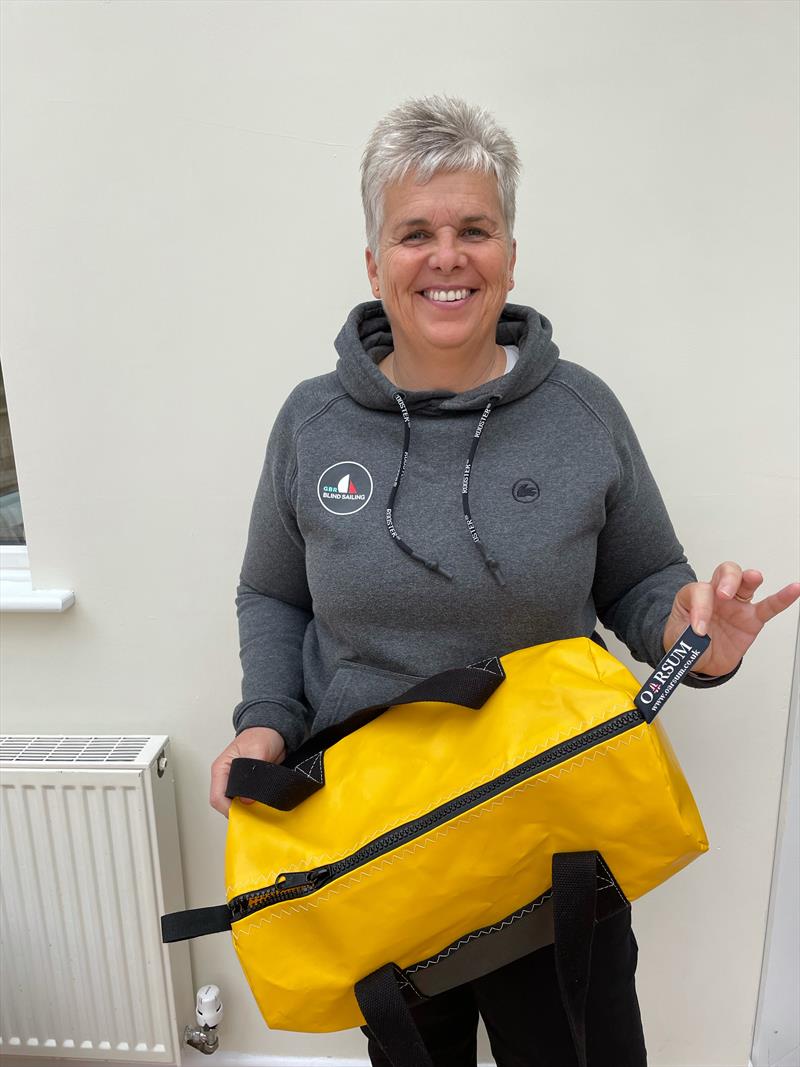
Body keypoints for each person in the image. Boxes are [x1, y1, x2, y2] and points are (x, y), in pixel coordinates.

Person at [210, 95, 800, 1066]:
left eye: (472, 229)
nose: (446, 256)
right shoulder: (312, 424)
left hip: (552, 841)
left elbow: (647, 580)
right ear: (373, 263)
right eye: (415, 233)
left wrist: (695, 638)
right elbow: (272, 593)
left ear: (509, 253)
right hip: (382, 845)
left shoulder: (578, 410)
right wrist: (262, 719)